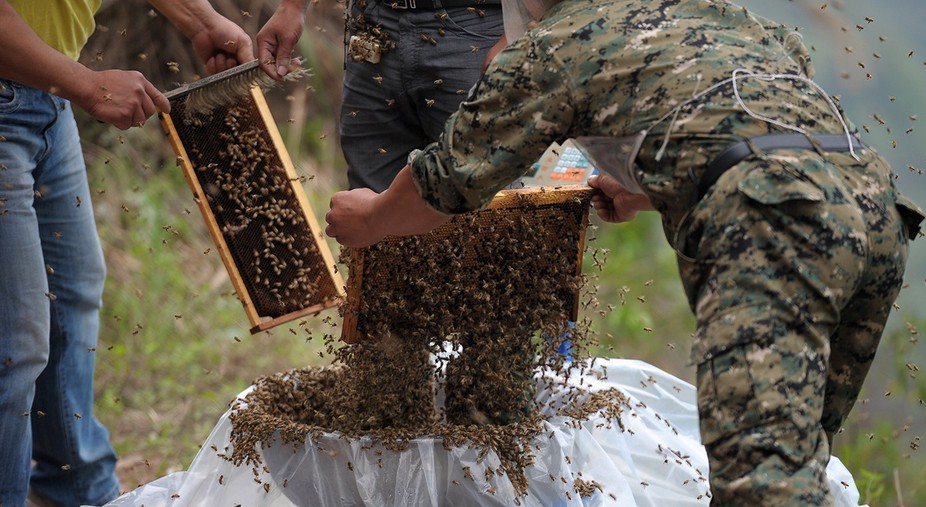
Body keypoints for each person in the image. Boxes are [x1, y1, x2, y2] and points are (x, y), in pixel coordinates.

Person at [324, 0, 926, 504]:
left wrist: (373, 218)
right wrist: (644, 188)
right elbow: (747, 92)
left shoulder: (555, 44)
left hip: (771, 218)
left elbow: (452, 178)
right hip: (873, 207)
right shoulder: (710, 12)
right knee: (802, 461)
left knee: (762, 483)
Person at [0, 2, 253, 505]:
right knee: (15, 344)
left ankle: (75, 491)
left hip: (49, 102)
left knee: (69, 296)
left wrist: (203, 23)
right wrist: (88, 84)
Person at [255, 0, 504, 192]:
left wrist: (520, 34)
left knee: (479, 206)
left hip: (474, 26)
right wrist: (293, 6)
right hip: (372, 23)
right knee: (369, 206)